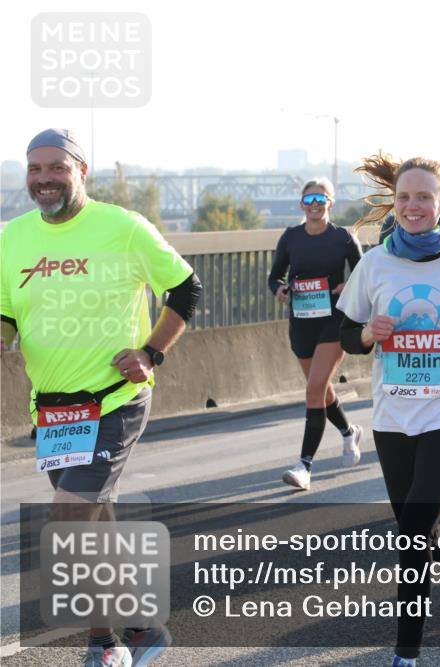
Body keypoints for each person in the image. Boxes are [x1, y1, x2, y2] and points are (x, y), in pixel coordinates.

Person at [0, 129, 201, 667]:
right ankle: (142, 626)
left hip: (115, 399)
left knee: (68, 517)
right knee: (95, 515)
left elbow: (186, 288)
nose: (44, 178)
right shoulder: (10, 238)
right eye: (35, 169)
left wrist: (152, 352)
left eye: (56, 168)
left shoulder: (123, 228)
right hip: (53, 408)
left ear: (80, 172)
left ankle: (103, 644)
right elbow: (5, 317)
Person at [338, 153, 440, 666]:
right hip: (393, 413)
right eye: (405, 197)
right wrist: (367, 333)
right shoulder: (375, 263)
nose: (412, 206)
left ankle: (405, 655)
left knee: (410, 533)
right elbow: (346, 331)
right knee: (418, 524)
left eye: (424, 197)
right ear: (396, 202)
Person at [268, 177, 364, 491]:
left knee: (313, 389)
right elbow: (274, 277)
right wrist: (280, 289)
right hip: (301, 321)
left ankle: (304, 466)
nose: (314, 206)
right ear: (301, 205)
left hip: (334, 322)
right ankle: (350, 431)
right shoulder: (291, 237)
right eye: (309, 201)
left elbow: (362, 276)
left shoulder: (343, 237)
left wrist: (345, 286)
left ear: (330, 204)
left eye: (320, 199)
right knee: (320, 390)